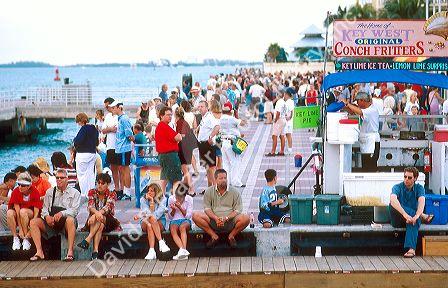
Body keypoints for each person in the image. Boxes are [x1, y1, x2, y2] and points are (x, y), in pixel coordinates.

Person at [29, 168, 81, 261]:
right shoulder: (50, 191)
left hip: (66, 223)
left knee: (70, 220)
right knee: (33, 222)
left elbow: (75, 211)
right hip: (52, 222)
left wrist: (62, 213)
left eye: (62, 178)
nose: (59, 180)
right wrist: (46, 216)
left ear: (67, 179)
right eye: (57, 178)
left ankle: (70, 252)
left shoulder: (75, 193)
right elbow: (44, 209)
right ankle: (39, 252)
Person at [192, 169, 250, 248]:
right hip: (213, 221)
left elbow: (238, 210)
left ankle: (231, 236)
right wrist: (216, 218)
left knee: (246, 218)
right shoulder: (209, 191)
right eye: (221, 178)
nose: (223, 180)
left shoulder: (234, 191)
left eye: (225, 178)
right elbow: (207, 209)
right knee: (196, 215)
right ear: (215, 180)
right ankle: (214, 236)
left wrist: (226, 218)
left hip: (230, 221)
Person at [389, 167, 434, 258]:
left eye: (409, 177)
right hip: (398, 218)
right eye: (405, 177)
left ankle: (411, 249)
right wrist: (406, 215)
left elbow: (422, 201)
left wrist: (416, 216)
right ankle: (423, 216)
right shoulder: (397, 187)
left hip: (412, 219)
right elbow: (393, 199)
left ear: (415, 178)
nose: (406, 179)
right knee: (393, 204)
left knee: (415, 218)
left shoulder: (419, 188)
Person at [77, 173, 120, 260]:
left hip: (109, 220)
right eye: (98, 183)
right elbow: (90, 206)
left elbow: (107, 208)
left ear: (107, 184)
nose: (99, 185)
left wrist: (95, 215)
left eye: (102, 183)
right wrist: (96, 214)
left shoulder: (112, 194)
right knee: (100, 224)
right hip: (97, 221)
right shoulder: (92, 192)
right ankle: (95, 251)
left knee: (100, 219)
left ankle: (88, 239)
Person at [342, 91, 380, 172]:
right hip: (366, 140)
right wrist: (344, 107)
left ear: (362, 100)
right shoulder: (365, 110)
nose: (357, 104)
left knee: (371, 166)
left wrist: (348, 104)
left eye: (358, 101)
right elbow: (353, 112)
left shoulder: (371, 110)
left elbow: (359, 112)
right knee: (365, 166)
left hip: (372, 141)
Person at [7, 172, 41, 250]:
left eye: (22, 185)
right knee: (10, 213)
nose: (20, 187)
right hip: (20, 214)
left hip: (30, 214)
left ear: (28, 186)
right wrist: (21, 230)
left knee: (23, 211)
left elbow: (36, 212)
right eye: (18, 184)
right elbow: (17, 212)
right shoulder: (16, 191)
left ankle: (26, 238)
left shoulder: (35, 192)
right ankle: (15, 238)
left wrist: (31, 229)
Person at [155, 106, 183, 195]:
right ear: (161, 116)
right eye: (167, 115)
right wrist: (178, 136)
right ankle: (174, 199)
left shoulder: (160, 126)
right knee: (176, 178)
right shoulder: (164, 126)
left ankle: (161, 198)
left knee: (164, 179)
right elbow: (178, 137)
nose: (170, 117)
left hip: (163, 155)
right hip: (170, 155)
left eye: (171, 115)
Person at [109, 100, 134, 200]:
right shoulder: (120, 119)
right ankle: (125, 192)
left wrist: (133, 139)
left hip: (124, 148)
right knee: (122, 169)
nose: (112, 109)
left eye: (114, 107)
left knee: (125, 169)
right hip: (120, 149)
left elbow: (129, 135)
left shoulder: (124, 119)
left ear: (119, 107)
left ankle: (127, 193)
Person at [139, 182, 170, 260]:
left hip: (159, 221)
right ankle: (161, 242)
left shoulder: (163, 199)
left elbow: (158, 214)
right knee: (149, 221)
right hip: (145, 221)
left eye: (152, 191)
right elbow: (146, 214)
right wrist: (151, 201)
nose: (149, 192)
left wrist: (153, 202)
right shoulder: (143, 199)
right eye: (148, 190)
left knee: (150, 224)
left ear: (157, 192)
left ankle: (151, 251)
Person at [220, 102, 247, 188]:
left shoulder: (221, 118)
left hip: (223, 142)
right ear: (231, 110)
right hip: (231, 143)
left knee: (226, 163)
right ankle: (236, 182)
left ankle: (227, 181)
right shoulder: (231, 118)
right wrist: (237, 114)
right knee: (235, 162)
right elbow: (243, 123)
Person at [74, 112, 99, 197]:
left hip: (82, 154)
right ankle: (91, 193)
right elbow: (97, 142)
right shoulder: (94, 128)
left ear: (81, 121)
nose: (78, 124)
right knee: (91, 174)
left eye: (78, 122)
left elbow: (78, 141)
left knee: (82, 175)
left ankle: (84, 194)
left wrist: (75, 142)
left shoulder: (83, 129)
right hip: (92, 153)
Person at [197, 100, 221, 189]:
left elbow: (217, 126)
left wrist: (211, 137)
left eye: (202, 106)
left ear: (207, 108)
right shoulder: (204, 117)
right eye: (199, 106)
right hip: (202, 145)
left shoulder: (209, 117)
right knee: (207, 168)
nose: (200, 108)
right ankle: (210, 189)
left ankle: (216, 190)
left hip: (207, 145)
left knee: (211, 168)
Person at [102, 97, 122, 198]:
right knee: (113, 168)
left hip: (119, 145)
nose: (106, 108)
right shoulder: (108, 116)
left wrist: (109, 129)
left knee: (121, 168)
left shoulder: (119, 117)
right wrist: (110, 129)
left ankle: (122, 189)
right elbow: (103, 130)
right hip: (110, 145)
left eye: (107, 106)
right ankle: (117, 188)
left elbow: (118, 129)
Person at [168, 184, 193, 260]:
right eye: (176, 196)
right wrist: (174, 209)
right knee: (173, 229)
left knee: (182, 227)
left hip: (185, 220)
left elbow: (188, 216)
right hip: (175, 220)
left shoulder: (189, 199)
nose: (177, 198)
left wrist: (180, 208)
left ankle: (183, 251)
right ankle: (183, 251)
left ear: (184, 196)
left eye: (180, 197)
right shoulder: (171, 198)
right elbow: (170, 217)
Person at [175, 107, 196, 196]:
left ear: (175, 114)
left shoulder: (180, 123)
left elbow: (182, 135)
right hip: (187, 148)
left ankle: (192, 189)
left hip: (183, 148)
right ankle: (186, 188)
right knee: (185, 170)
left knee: (185, 170)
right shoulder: (184, 122)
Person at [266, 89, 287, 157]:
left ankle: (273, 152)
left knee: (274, 136)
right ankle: (282, 151)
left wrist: (275, 120)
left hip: (279, 120)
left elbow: (278, 112)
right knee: (282, 135)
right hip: (283, 119)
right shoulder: (283, 102)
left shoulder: (279, 102)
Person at [283, 87, 295, 155]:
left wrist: (289, 117)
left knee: (288, 135)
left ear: (287, 94)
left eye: (285, 94)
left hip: (288, 121)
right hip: (287, 120)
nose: (284, 95)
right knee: (287, 135)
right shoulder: (289, 101)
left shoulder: (289, 101)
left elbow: (291, 110)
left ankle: (289, 149)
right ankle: (288, 149)